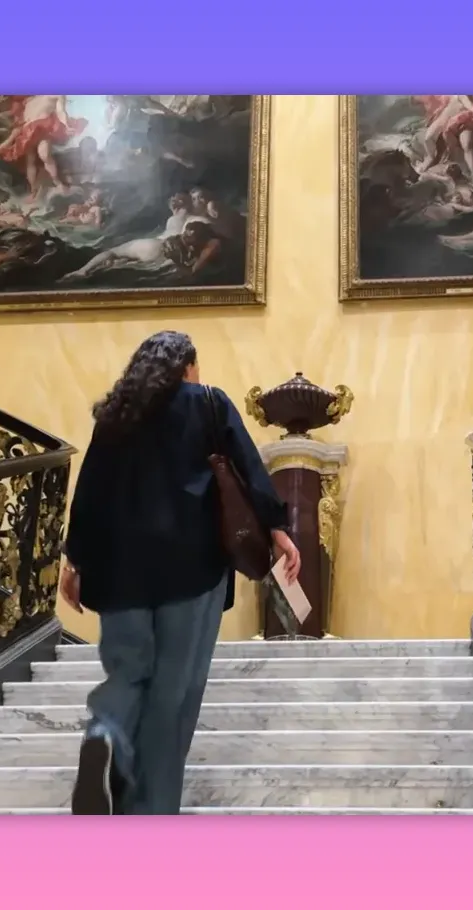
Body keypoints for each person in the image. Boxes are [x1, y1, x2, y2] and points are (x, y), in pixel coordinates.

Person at [59, 331, 301, 815]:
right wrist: (277, 527)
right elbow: (248, 471)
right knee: (174, 691)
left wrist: (75, 560)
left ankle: (103, 738)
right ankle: (150, 815)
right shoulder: (208, 403)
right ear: (187, 366)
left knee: (127, 676)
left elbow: (90, 490)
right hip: (191, 569)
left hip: (119, 569)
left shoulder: (116, 414)